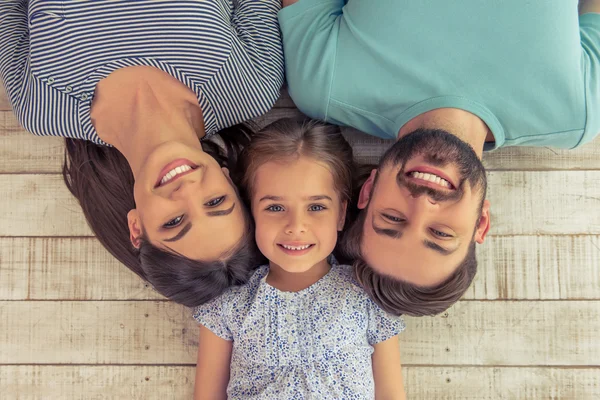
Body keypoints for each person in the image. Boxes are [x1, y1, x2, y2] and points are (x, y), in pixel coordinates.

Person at [279, 0, 600, 316]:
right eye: (441, 233)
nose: (422, 204)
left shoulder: (324, 81)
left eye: (392, 219)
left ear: (368, 191)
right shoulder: (579, 112)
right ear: (481, 222)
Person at [0, 1, 284, 306]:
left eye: (174, 221)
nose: (187, 190)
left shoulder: (43, 107)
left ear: (136, 228)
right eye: (215, 201)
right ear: (229, 180)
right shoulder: (250, 87)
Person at [193, 119, 406, 400]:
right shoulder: (229, 304)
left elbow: (391, 394)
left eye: (316, 207)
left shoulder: (367, 295)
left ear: (341, 214)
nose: (296, 226)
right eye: (275, 207)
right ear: (251, 212)